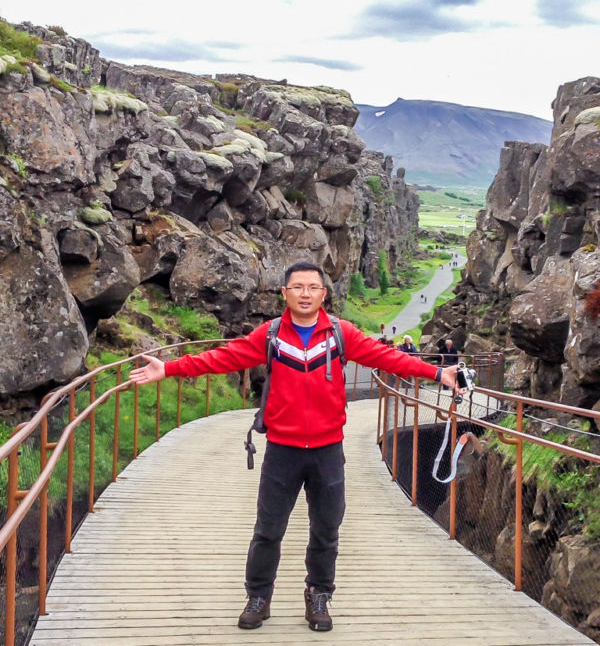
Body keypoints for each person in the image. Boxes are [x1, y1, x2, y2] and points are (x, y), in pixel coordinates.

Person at [130, 261, 463, 633]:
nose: (305, 293)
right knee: (268, 530)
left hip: (327, 451)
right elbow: (224, 357)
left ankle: (319, 595)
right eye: (297, 287)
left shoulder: (341, 333)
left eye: (312, 287)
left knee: (326, 530)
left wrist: (437, 372)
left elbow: (386, 357)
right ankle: (258, 597)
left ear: (323, 293)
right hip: (282, 450)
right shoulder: (270, 335)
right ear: (284, 293)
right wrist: (170, 369)